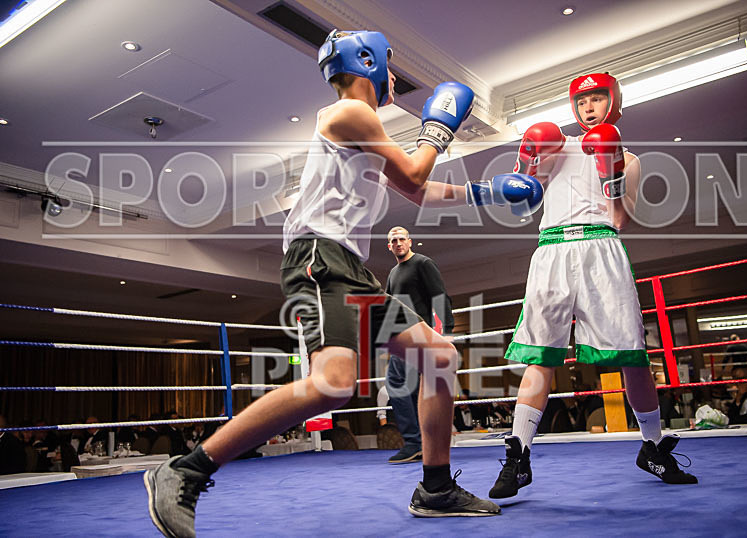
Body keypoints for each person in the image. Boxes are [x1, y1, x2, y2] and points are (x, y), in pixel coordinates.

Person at [144, 29, 547, 535]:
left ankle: (437, 488)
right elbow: (416, 173)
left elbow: (416, 192)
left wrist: (486, 193)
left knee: (439, 357)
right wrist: (438, 127)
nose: (396, 77)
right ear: (369, 63)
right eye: (391, 66)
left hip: (353, 271)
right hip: (319, 258)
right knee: (333, 383)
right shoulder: (350, 114)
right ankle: (185, 470)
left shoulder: (362, 131)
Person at [488, 73, 698, 500]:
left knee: (632, 356)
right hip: (550, 251)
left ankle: (653, 446)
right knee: (541, 355)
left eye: (598, 98)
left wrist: (613, 172)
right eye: (582, 100)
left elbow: (622, 219)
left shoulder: (630, 157)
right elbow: (523, 202)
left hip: (602, 248)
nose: (589, 107)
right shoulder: (554, 145)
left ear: (614, 102)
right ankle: (518, 455)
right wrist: (524, 164)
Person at [383, 225, 455, 463]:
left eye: (401, 239)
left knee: (399, 385)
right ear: (389, 246)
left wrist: (447, 332)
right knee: (407, 388)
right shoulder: (393, 273)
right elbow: (390, 307)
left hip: (417, 335)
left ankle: (415, 442)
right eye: (393, 241)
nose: (398, 244)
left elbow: (440, 295)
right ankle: (420, 443)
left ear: (410, 241)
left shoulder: (423, 263)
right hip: (400, 339)